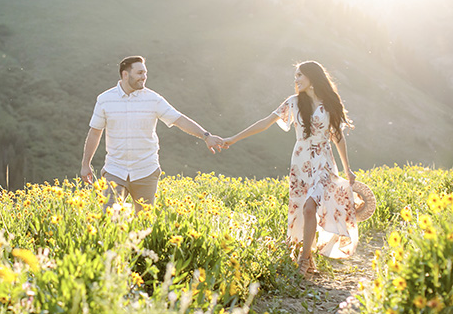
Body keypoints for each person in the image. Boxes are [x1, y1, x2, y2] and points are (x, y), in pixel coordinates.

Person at [222, 61, 357, 276]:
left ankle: (304, 260)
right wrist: (233, 139)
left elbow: (337, 136)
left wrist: (347, 168)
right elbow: (265, 122)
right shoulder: (293, 103)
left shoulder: (329, 103)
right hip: (300, 163)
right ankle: (308, 256)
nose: (296, 80)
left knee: (310, 207)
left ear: (312, 77)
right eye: (295, 76)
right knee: (301, 210)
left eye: (299, 75)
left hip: (322, 161)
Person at [81, 55, 225, 213]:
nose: (144, 77)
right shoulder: (104, 100)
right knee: (107, 221)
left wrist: (206, 136)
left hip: (146, 171)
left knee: (144, 224)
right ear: (125, 74)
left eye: (145, 73)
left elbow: (179, 119)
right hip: (115, 170)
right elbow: (95, 133)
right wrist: (85, 164)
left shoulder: (153, 99)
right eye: (140, 73)